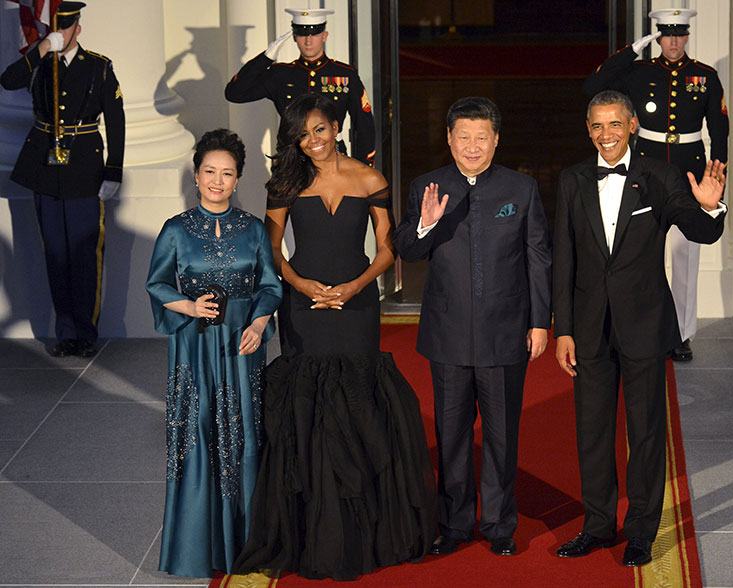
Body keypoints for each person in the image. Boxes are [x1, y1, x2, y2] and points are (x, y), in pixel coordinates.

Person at [233, 94, 436, 581]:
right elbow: (270, 250)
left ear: (336, 127)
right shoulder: (286, 181)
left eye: (319, 130)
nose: (313, 142)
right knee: (310, 405)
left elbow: (389, 249)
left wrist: (356, 286)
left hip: (357, 303)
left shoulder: (370, 179)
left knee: (357, 401)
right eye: (302, 135)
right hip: (303, 305)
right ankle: (310, 530)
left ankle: (366, 530)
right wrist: (300, 286)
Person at [553, 91, 726, 567]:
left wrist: (710, 207)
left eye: (614, 124)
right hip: (588, 329)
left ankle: (641, 531)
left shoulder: (660, 176)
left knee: (646, 432)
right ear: (587, 129)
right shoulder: (572, 181)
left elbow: (699, 229)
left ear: (632, 125)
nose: (605, 134)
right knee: (592, 432)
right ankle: (597, 525)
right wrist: (563, 328)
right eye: (596, 126)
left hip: (644, 325)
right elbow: (563, 260)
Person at [394, 96, 552, 557]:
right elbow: (406, 248)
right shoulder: (428, 185)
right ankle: (455, 524)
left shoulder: (520, 189)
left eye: (481, 138)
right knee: (451, 436)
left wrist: (540, 322)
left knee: (503, 438)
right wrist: (423, 225)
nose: (472, 146)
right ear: (448, 138)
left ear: (496, 140)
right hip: (447, 335)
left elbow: (539, 257)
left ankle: (500, 526)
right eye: (463, 137)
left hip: (506, 334)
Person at [145, 129, 283, 577]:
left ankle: (248, 542)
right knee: (198, 429)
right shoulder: (176, 229)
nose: (217, 181)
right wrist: (188, 304)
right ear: (196, 174)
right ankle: (196, 546)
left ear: (238, 178)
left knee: (245, 431)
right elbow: (157, 283)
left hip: (242, 343)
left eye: (227, 174)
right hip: (195, 343)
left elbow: (270, 285)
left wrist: (260, 322)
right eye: (209, 172)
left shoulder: (254, 230)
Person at [583, 8, 729, 362]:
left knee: (684, 254)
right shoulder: (639, 71)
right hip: (645, 168)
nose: (674, 41)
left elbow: (719, 129)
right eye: (666, 35)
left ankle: (680, 334)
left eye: (680, 34)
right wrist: (632, 49)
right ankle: (637, 326)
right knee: (640, 253)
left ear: (688, 36)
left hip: (689, 171)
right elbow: (594, 86)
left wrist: (718, 176)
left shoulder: (704, 75)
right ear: (658, 38)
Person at [0, 1, 124, 357]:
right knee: (55, 253)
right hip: (46, 171)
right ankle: (65, 332)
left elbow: (116, 121)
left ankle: (86, 333)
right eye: (54, 29)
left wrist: (113, 170)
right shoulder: (40, 64)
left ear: (77, 29)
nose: (59, 34)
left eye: (65, 29)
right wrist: (41, 49)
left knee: (85, 254)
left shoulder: (98, 67)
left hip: (84, 168)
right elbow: (8, 81)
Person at [225, 8, 376, 165]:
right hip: (292, 161)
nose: (308, 41)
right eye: (302, 34)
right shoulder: (280, 74)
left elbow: (364, 124)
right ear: (295, 37)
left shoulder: (345, 74)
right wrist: (266, 57)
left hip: (332, 157)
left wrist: (362, 166)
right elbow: (235, 93)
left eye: (315, 33)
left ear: (325, 36)